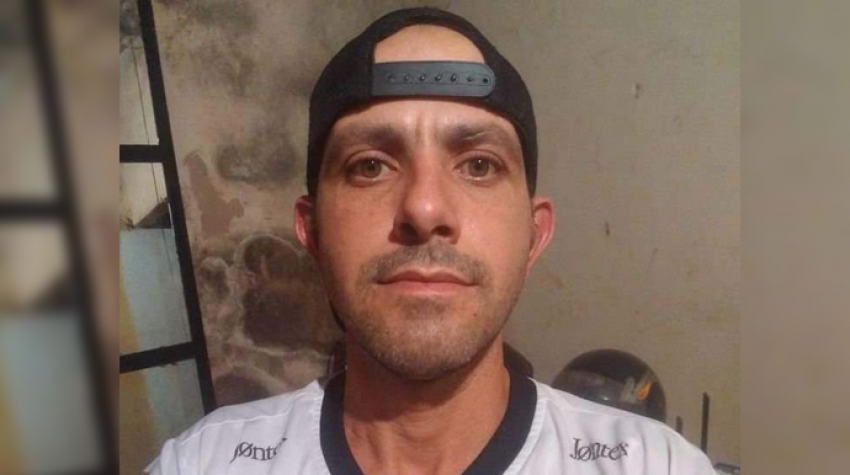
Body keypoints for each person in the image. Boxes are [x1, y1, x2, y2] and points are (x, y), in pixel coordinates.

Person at [145, 7, 716, 475]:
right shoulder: (201, 464)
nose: (424, 209)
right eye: (370, 165)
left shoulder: (657, 466)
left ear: (534, 234)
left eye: (479, 165)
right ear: (312, 231)